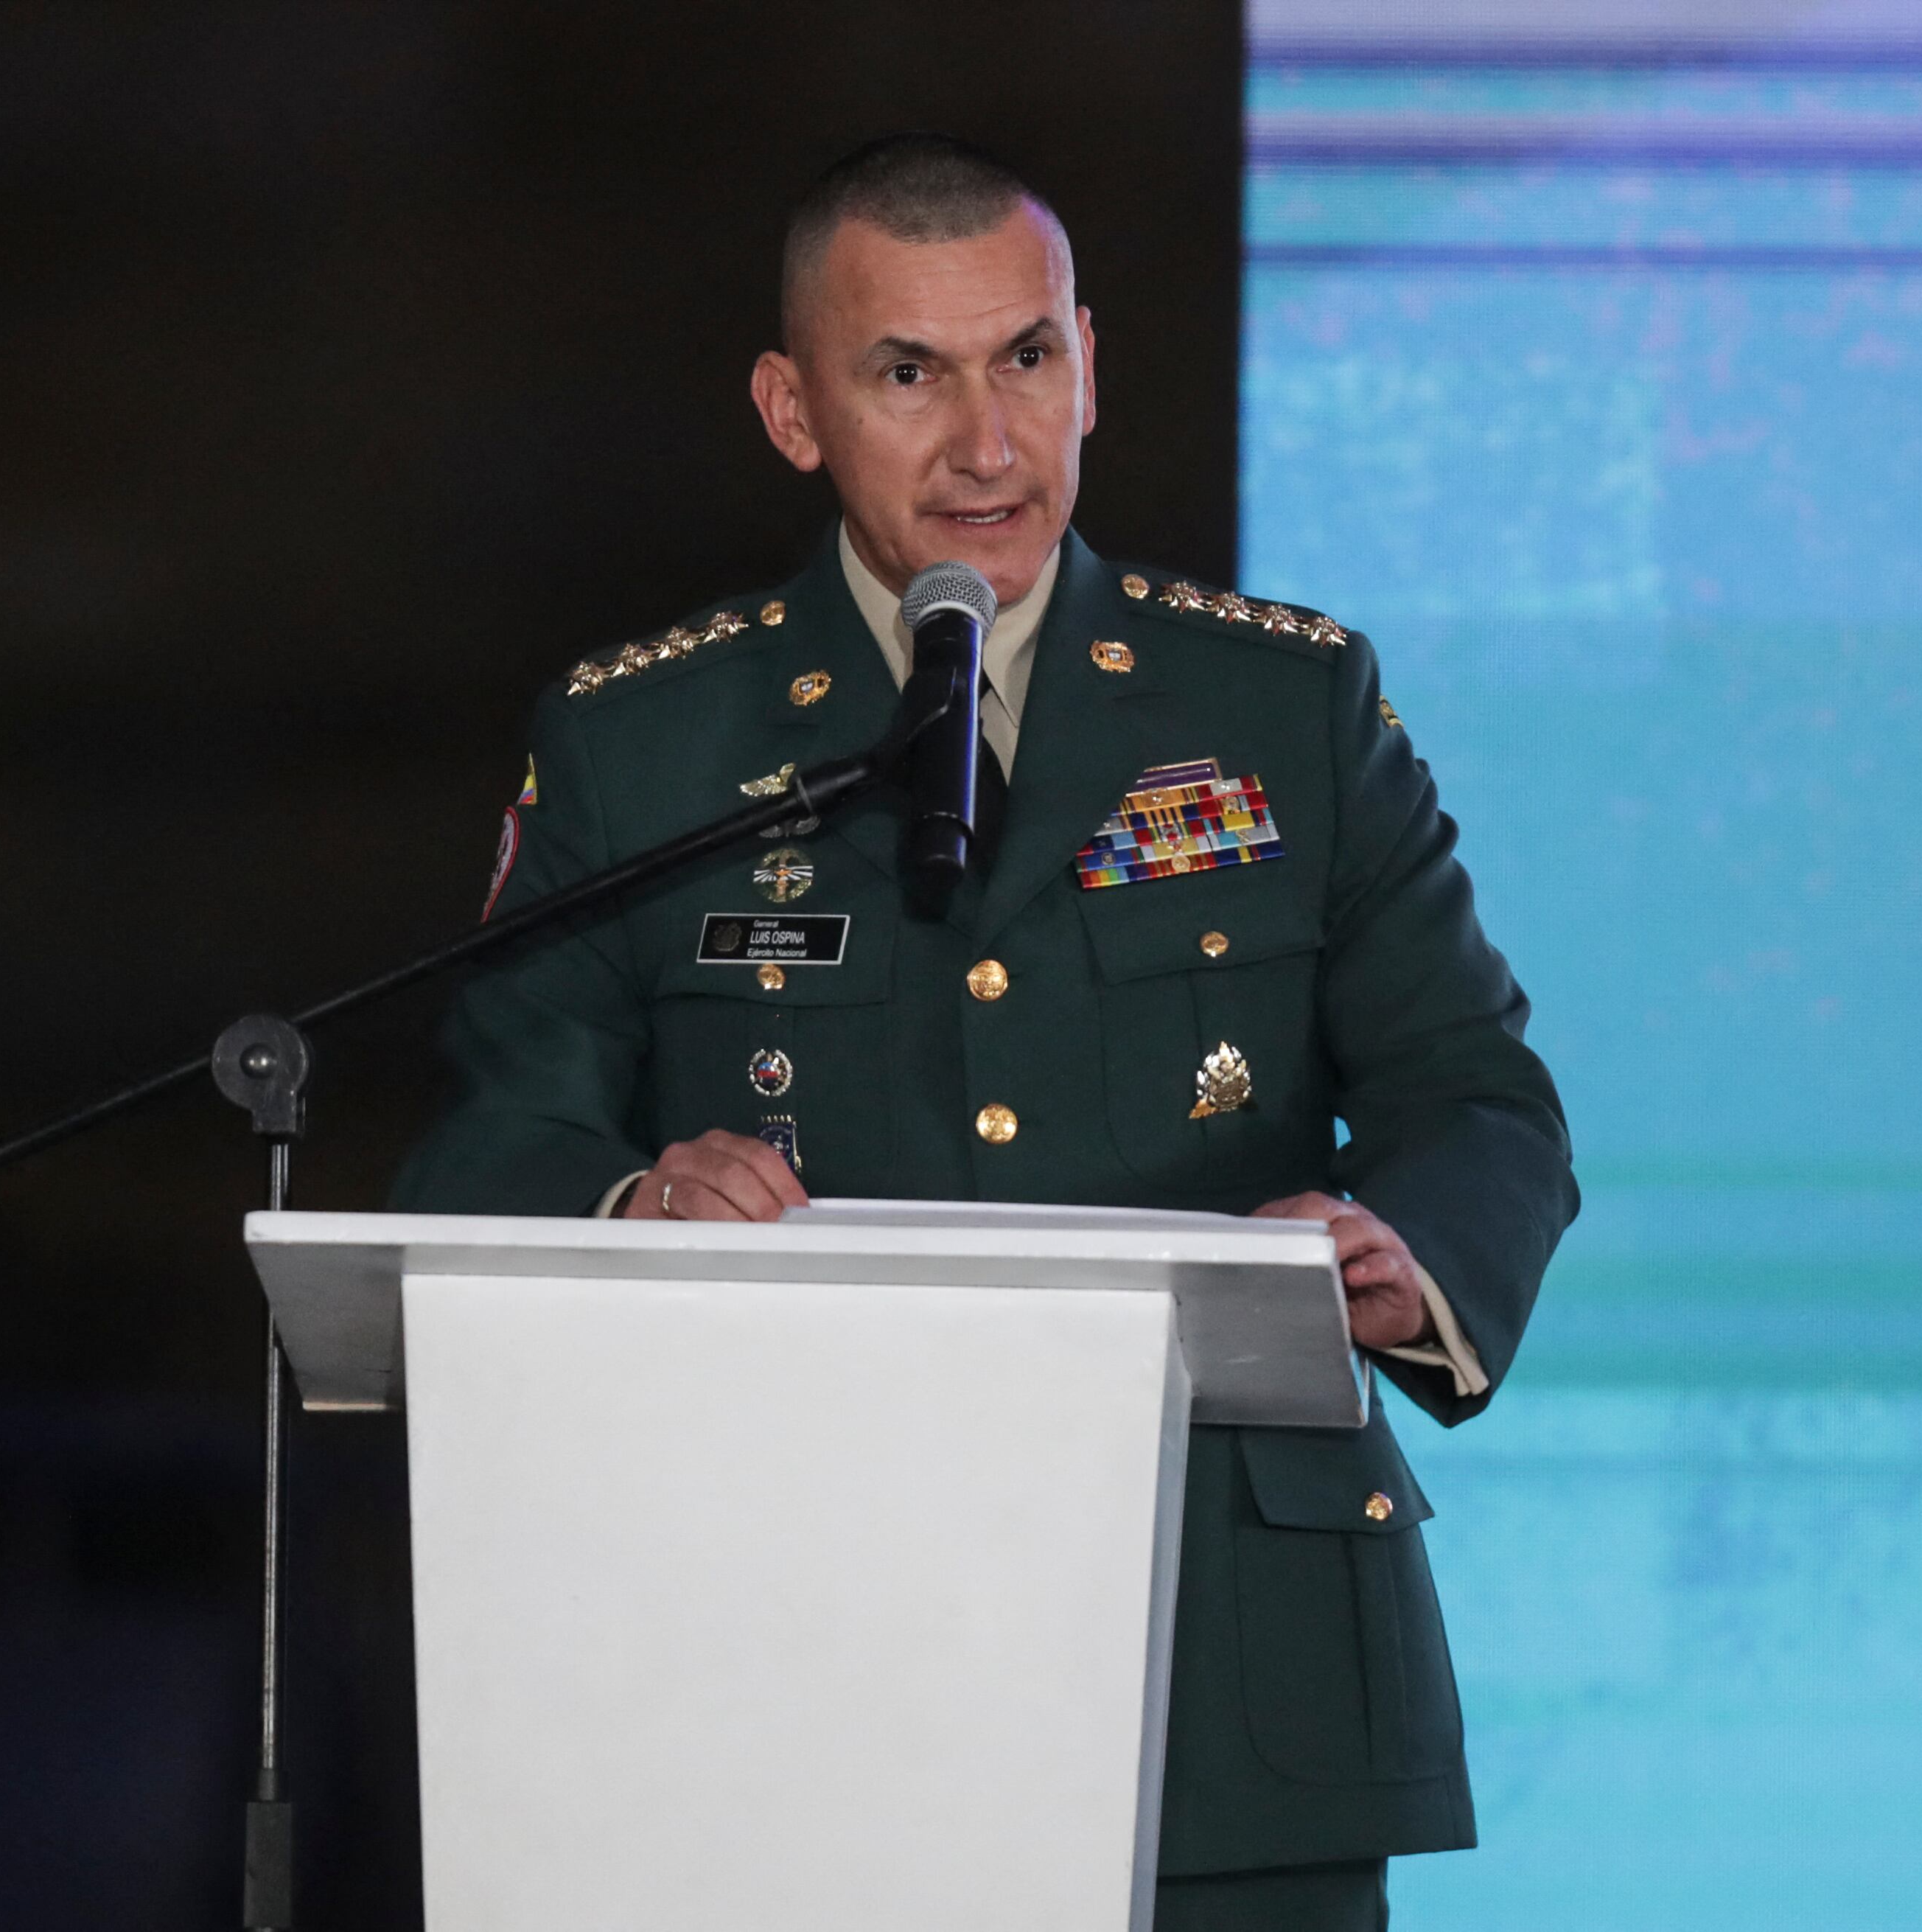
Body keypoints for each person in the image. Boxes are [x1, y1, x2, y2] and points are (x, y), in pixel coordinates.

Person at [393, 133, 1576, 1930]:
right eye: (906, 375)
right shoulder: (645, 742)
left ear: (1088, 362)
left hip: (1223, 1684)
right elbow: (493, 1141)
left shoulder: (1288, 704)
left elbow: (1478, 1101)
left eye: (1025, 358)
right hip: (776, 1672)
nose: (986, 443)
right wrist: (635, 1207)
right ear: (795, 414)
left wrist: (1401, 1252)